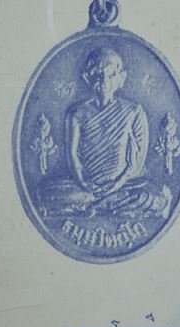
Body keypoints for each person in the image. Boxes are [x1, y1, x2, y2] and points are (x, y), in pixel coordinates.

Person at [37, 47, 170, 218]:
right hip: (85, 186)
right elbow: (72, 156)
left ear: (121, 78)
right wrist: (83, 183)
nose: (104, 79)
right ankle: (107, 205)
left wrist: (117, 184)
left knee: (154, 198)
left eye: (111, 74)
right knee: (44, 194)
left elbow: (136, 163)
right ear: (87, 77)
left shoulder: (134, 112)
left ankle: (92, 205)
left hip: (122, 185)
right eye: (98, 74)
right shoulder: (76, 113)